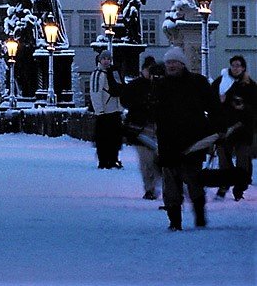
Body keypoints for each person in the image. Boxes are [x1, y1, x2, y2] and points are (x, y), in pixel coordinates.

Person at [153, 46, 222, 230]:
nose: (171, 65)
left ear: (182, 64)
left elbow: (213, 107)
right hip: (168, 142)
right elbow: (152, 110)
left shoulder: (197, 82)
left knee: (193, 182)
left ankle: (199, 216)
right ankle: (175, 222)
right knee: (171, 187)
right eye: (168, 62)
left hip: (193, 142)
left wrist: (216, 129)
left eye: (174, 62)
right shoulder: (161, 85)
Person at [212, 55, 257, 201]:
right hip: (224, 128)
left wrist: (244, 107)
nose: (235, 68)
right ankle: (224, 184)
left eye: (238, 65)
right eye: (233, 65)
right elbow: (211, 102)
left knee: (242, 160)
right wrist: (219, 101)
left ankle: (239, 189)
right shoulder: (221, 82)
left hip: (243, 128)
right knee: (223, 159)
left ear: (243, 67)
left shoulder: (250, 85)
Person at [120, 55, 161, 200]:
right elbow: (124, 101)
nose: (150, 73)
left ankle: (156, 185)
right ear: (143, 70)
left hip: (157, 128)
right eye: (148, 70)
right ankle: (149, 188)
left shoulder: (161, 86)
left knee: (158, 161)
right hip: (140, 129)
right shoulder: (134, 86)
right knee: (146, 161)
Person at [89, 50, 124, 169]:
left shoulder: (113, 72)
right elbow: (95, 93)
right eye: (103, 59)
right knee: (103, 138)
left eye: (108, 59)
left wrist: (120, 108)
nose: (106, 61)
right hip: (105, 112)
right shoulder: (97, 74)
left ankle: (113, 159)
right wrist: (99, 111)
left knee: (115, 138)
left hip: (114, 110)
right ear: (99, 60)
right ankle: (103, 161)